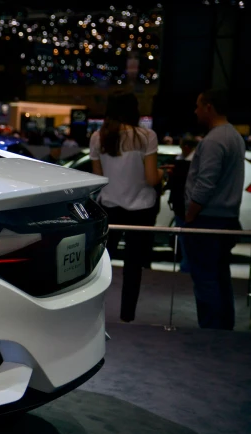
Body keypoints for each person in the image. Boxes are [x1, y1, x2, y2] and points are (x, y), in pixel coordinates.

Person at [90, 93, 162, 322]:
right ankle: (127, 317)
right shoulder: (146, 136)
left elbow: (98, 178)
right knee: (134, 266)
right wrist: (163, 173)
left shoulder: (98, 137)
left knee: (100, 265)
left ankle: (93, 314)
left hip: (110, 207)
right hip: (141, 209)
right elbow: (152, 178)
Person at [183, 89, 245, 330]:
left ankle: (210, 333)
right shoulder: (235, 137)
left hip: (207, 221)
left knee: (206, 280)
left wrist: (189, 216)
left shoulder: (213, 140)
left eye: (198, 105)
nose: (195, 110)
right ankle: (223, 332)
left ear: (209, 106)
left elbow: (205, 183)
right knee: (220, 278)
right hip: (226, 219)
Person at [165, 135, 199, 272]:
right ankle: (187, 264)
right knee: (184, 238)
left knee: (188, 238)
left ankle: (188, 266)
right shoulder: (181, 160)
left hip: (187, 204)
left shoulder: (192, 162)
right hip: (180, 204)